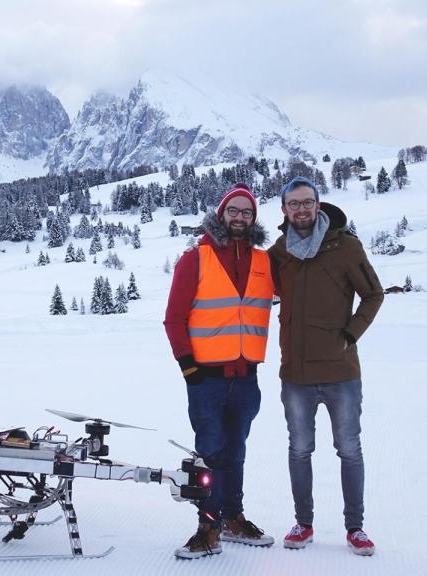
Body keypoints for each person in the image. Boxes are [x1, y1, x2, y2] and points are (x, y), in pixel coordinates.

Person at [268, 176, 384, 556]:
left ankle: (356, 527)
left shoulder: (345, 246)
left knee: (349, 449)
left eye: (307, 202)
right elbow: (250, 284)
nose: (301, 209)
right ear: (284, 210)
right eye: (293, 203)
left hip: (340, 373)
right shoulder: (279, 251)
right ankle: (303, 523)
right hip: (296, 374)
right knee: (299, 450)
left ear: (318, 205)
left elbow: (373, 294)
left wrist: (350, 334)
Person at [164, 183, 276, 559]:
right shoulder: (196, 258)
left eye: (247, 212)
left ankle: (233, 517)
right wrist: (188, 367)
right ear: (222, 213)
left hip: (246, 379)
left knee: (236, 451)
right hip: (205, 379)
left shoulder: (264, 262)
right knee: (210, 452)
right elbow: (174, 318)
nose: (241, 217)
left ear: (253, 218)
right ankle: (208, 526)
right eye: (234, 210)